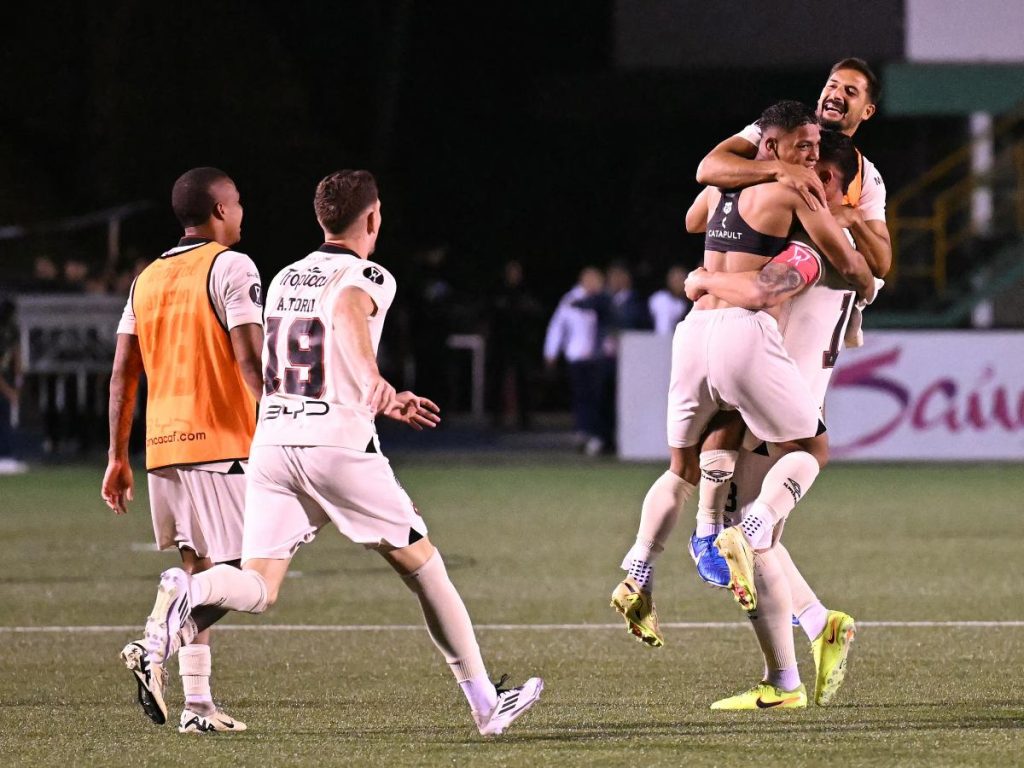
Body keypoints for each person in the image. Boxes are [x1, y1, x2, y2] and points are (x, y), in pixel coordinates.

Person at [122, 170, 543, 737]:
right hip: (337, 445)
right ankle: (486, 705)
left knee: (260, 586)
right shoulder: (369, 273)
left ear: (322, 219)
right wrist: (377, 382)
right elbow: (346, 310)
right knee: (425, 567)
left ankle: (187, 590)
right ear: (372, 218)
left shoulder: (284, 277)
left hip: (271, 442)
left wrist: (374, 391)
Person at [610, 103, 873, 666]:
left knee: (687, 466)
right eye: (803, 148)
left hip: (693, 334)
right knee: (803, 459)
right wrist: (860, 265)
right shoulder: (797, 203)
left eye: (816, 153)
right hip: (748, 342)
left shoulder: (725, 187)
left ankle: (641, 567)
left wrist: (705, 273)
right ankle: (750, 544)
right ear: (775, 146)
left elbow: (695, 210)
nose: (810, 161)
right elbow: (852, 270)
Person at [690, 60, 892, 707]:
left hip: (785, 361)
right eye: (834, 84)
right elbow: (704, 191)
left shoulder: (826, 224)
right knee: (744, 501)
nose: (837, 95)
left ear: (866, 114)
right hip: (767, 352)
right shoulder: (779, 154)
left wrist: (705, 284)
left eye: (852, 92)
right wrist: (780, 175)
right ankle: (805, 641)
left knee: (754, 487)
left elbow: (873, 270)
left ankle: (715, 544)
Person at [102, 167, 264, 733]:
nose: (242, 212)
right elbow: (250, 361)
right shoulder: (231, 265)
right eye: (237, 202)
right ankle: (158, 636)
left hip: (163, 447)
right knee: (250, 575)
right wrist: (279, 425)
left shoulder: (146, 279)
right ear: (219, 210)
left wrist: (117, 457)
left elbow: (124, 373)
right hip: (222, 441)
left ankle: (197, 705)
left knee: (200, 567)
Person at [543, 266, 611, 455]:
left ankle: (595, 435)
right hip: (577, 356)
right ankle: (583, 432)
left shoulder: (602, 300)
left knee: (597, 397)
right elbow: (558, 326)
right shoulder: (571, 299)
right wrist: (551, 351)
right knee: (582, 396)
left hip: (597, 357)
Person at [0, 298, 27, 474]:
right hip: (3, 381)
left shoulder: (12, 331)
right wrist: (9, 391)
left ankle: (7, 455)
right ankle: (4, 456)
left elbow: (17, 355)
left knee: (6, 417)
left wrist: (17, 382)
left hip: (6, 378)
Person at [647, 266, 690, 335]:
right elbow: (661, 329)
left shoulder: (690, 303)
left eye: (681, 279)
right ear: (668, 280)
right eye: (675, 280)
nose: (678, 283)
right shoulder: (659, 298)